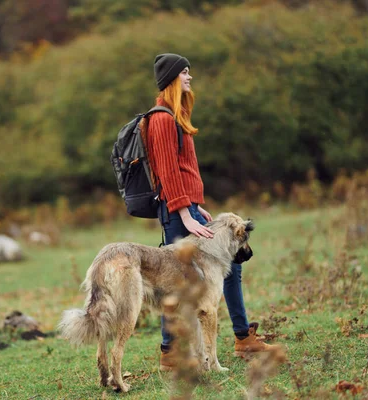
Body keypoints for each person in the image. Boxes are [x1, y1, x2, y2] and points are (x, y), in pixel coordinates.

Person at [144, 53, 277, 371]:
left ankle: (243, 337)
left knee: (230, 261)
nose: (190, 78)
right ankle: (170, 353)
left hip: (186, 206)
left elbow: (181, 169)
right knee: (177, 280)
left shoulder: (176, 116)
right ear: (173, 79)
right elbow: (166, 170)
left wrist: (194, 205)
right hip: (177, 212)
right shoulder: (161, 119)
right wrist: (184, 212)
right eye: (185, 73)